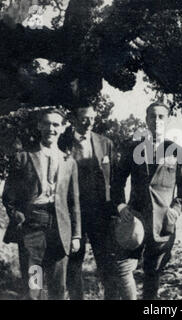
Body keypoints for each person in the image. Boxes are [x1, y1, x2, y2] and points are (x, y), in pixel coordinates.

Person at [111, 102, 182, 300]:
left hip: (163, 222)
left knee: (153, 273)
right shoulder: (134, 148)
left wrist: (176, 209)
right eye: (153, 117)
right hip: (134, 219)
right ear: (146, 120)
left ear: (168, 120)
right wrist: (121, 206)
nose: (157, 121)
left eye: (161, 117)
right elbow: (117, 180)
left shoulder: (177, 151)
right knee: (122, 266)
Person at [2, 108, 81, 300]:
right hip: (32, 230)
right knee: (33, 286)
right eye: (46, 123)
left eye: (55, 124)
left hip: (59, 230)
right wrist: (19, 218)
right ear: (39, 125)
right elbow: (8, 196)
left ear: (63, 128)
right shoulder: (24, 157)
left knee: (57, 288)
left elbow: (74, 202)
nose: (50, 129)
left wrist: (76, 235)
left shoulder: (68, 162)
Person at [59, 105, 117, 300]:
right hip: (73, 212)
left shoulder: (105, 143)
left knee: (106, 261)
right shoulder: (62, 141)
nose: (90, 122)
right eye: (84, 118)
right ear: (74, 119)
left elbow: (114, 179)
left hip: (100, 212)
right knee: (74, 262)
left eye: (93, 118)